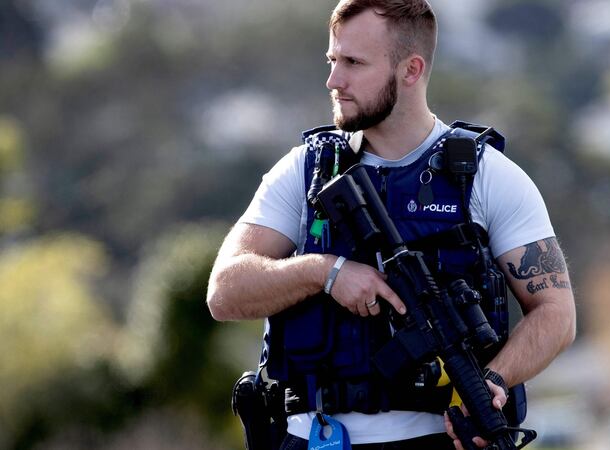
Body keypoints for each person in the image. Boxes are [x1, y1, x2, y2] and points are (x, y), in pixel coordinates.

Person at [207, 0, 576, 449]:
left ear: (411, 70)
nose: (333, 80)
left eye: (354, 63)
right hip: (314, 439)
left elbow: (556, 314)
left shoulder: (486, 176)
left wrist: (491, 381)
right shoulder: (306, 171)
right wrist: (324, 272)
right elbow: (224, 292)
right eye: (333, 60)